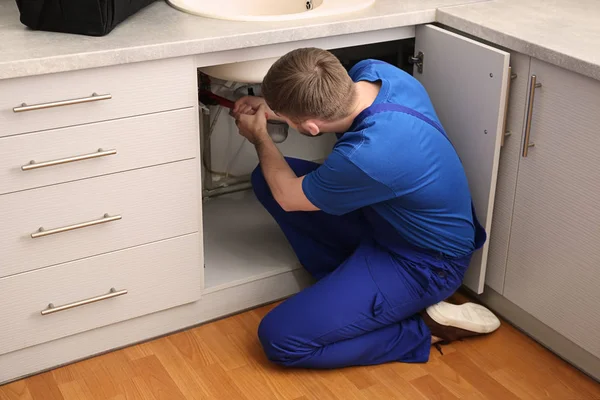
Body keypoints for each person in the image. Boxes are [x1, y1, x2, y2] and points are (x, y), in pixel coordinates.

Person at [230, 48, 501, 369]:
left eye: (289, 119)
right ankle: (356, 295)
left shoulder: (366, 156)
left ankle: (422, 329)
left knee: (281, 339)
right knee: (267, 176)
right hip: (387, 221)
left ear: (311, 128)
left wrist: (261, 136)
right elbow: (326, 112)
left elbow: (289, 197)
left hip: (425, 263)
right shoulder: (378, 73)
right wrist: (276, 108)